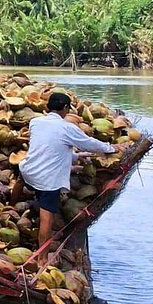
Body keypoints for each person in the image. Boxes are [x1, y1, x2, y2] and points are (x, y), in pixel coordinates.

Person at [15, 91, 115, 247]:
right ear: (66, 107)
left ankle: (11, 203)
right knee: (47, 216)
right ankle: (42, 256)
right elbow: (89, 143)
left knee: (22, 175)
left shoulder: (35, 122)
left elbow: (50, 147)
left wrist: (75, 156)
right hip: (47, 181)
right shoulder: (67, 128)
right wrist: (111, 148)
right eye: (69, 108)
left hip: (28, 170)